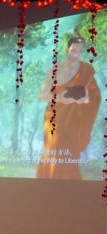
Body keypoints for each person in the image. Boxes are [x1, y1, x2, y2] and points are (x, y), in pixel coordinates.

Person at [36, 36, 101, 180]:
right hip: (54, 118)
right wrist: (59, 98)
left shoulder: (86, 70)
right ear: (67, 50)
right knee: (55, 146)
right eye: (73, 50)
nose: (76, 54)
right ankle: (48, 183)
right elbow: (42, 95)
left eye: (79, 51)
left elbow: (95, 95)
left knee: (69, 152)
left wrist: (85, 99)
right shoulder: (54, 71)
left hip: (74, 119)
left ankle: (70, 187)